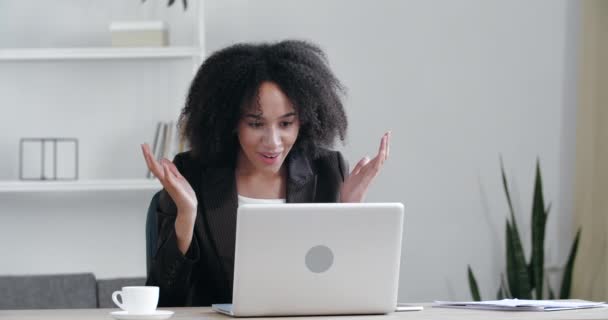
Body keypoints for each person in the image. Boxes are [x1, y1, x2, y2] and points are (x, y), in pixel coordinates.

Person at [141, 40, 390, 307]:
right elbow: (164, 298)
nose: (273, 142)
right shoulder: (192, 173)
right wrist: (186, 217)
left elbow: (347, 293)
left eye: (285, 123)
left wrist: (350, 213)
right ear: (230, 122)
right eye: (256, 124)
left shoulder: (327, 171)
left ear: (303, 120)